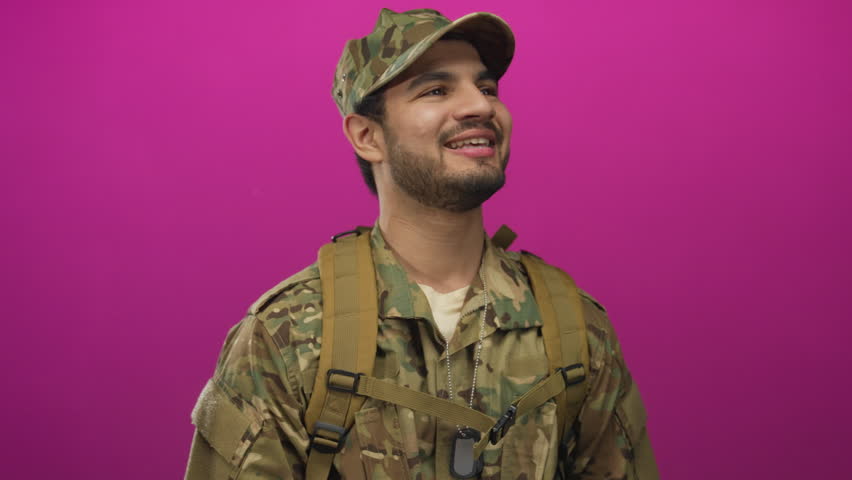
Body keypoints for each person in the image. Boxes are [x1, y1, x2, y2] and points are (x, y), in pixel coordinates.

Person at [184, 8, 658, 480]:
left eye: (487, 88)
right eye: (436, 90)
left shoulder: (574, 328)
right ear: (368, 136)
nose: (480, 106)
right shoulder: (287, 337)